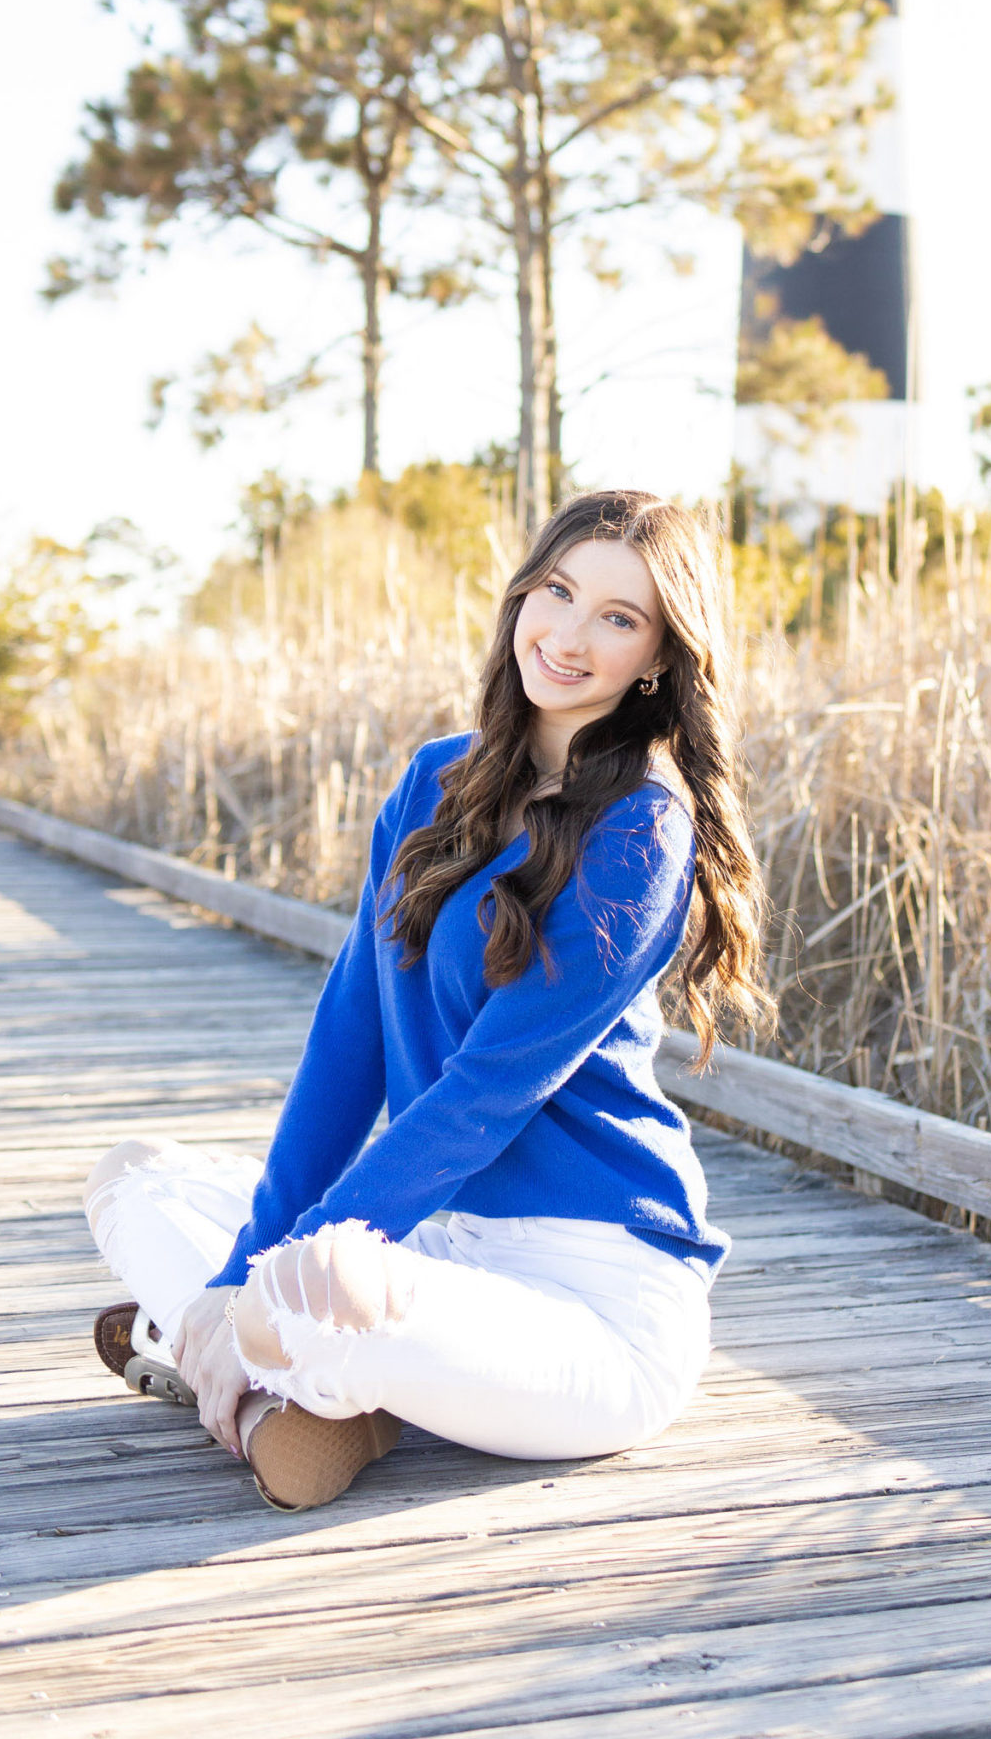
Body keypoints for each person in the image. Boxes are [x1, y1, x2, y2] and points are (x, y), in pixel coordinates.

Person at [82, 488, 768, 1511]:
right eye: (560, 591)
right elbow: (350, 1035)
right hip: (434, 1237)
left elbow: (481, 1097)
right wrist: (237, 1276)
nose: (570, 636)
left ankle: (230, 1355)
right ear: (524, 592)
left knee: (305, 1293)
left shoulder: (641, 833)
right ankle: (298, 1403)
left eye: (619, 619)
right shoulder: (435, 780)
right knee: (138, 1180)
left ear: (660, 655)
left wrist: (256, 1287)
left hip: (597, 1297)